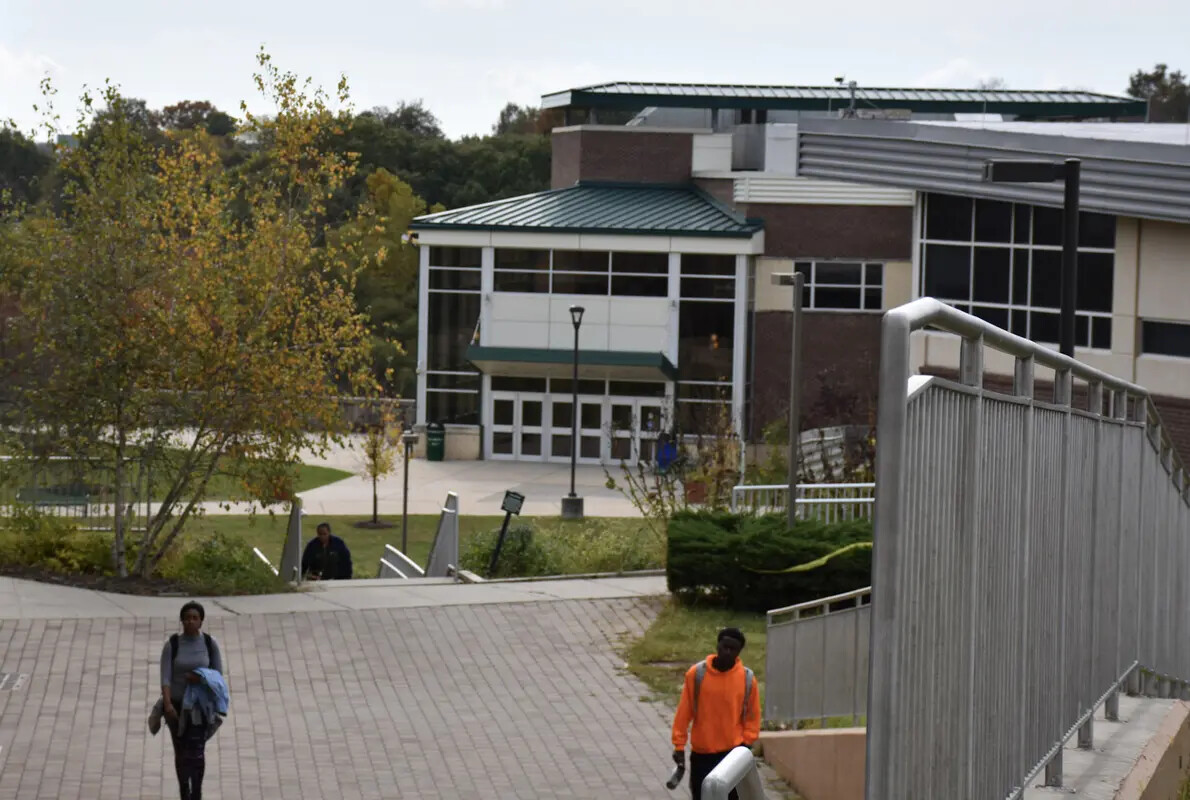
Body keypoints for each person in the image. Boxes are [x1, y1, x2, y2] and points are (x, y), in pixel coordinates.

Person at [671, 627, 761, 800]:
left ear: (739, 652)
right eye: (724, 646)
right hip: (702, 754)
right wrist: (679, 746)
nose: (727, 652)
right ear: (717, 645)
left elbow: (753, 716)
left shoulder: (747, 679)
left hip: (732, 755)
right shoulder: (697, 675)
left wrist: (746, 744)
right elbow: (684, 713)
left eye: (732, 649)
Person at [160, 601, 224, 800]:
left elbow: (218, 677)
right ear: (181, 620)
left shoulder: (209, 643)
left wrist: (200, 679)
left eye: (195, 618)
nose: (190, 621)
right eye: (187, 618)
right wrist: (168, 704)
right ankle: (184, 791)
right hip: (177, 707)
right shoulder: (173, 644)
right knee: (181, 750)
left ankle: (197, 791)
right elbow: (165, 677)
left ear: (201, 621)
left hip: (200, 707)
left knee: (196, 751)